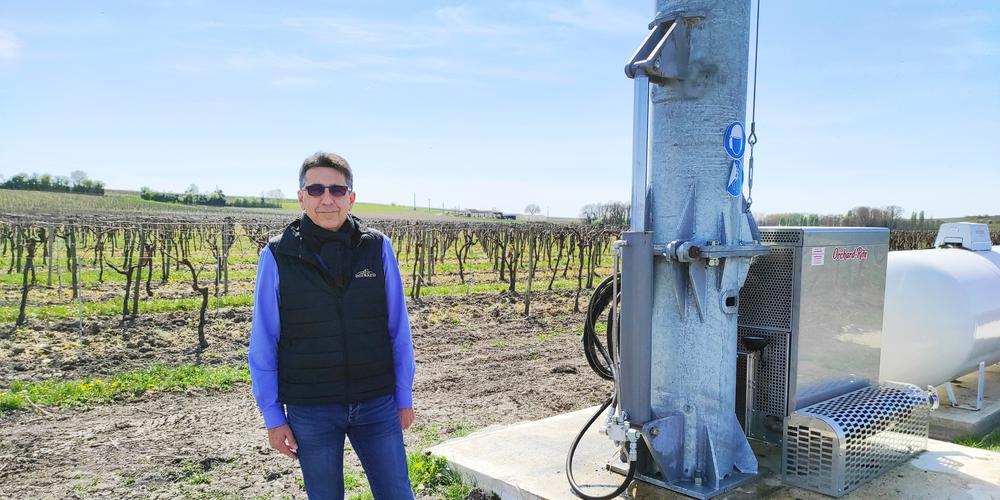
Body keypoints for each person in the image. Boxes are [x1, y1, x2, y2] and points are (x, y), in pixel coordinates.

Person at [249, 151, 416, 500]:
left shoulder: (378, 248)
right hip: (311, 409)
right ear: (301, 198)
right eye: (316, 189)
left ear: (351, 198)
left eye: (338, 190)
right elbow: (265, 340)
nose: (327, 198)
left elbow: (398, 329)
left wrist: (403, 396)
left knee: (398, 494)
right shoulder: (277, 256)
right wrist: (273, 416)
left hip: (377, 402)